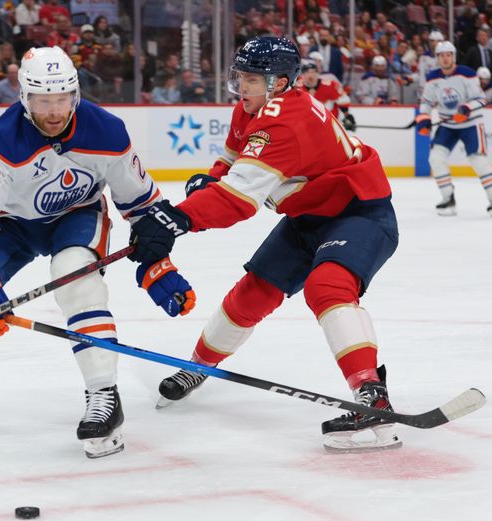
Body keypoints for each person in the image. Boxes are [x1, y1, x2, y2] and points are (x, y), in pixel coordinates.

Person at [0, 46, 196, 459]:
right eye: (43, 101)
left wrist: (158, 264)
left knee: (77, 280)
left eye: (62, 99)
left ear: (75, 95)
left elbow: (141, 204)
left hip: (77, 217)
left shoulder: (108, 131)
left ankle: (104, 397)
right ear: (24, 98)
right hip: (12, 225)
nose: (53, 111)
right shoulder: (4, 139)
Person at [128, 37, 401, 453]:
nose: (242, 87)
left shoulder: (284, 120)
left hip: (359, 214)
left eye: (252, 79)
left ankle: (371, 394)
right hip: (308, 217)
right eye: (241, 77)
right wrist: (211, 178)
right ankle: (198, 366)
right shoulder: (254, 106)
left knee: (326, 287)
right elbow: (232, 160)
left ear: (280, 83)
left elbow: (239, 200)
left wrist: (178, 217)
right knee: (253, 293)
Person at [416, 41, 492, 217]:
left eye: (448, 54)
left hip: (471, 124)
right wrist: (424, 120)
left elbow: (480, 99)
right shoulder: (432, 77)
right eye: (442, 55)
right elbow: (426, 103)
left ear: (453, 57)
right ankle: (448, 198)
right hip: (448, 125)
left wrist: (466, 108)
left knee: (478, 160)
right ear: (437, 58)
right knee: (436, 158)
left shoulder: (467, 74)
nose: (445, 58)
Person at [298, 60, 354, 130]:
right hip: (307, 125)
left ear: (317, 74)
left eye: (312, 72)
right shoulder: (297, 87)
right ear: (302, 75)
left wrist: (347, 116)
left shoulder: (330, 85)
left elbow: (343, 101)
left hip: (330, 125)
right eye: (307, 72)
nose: (310, 75)